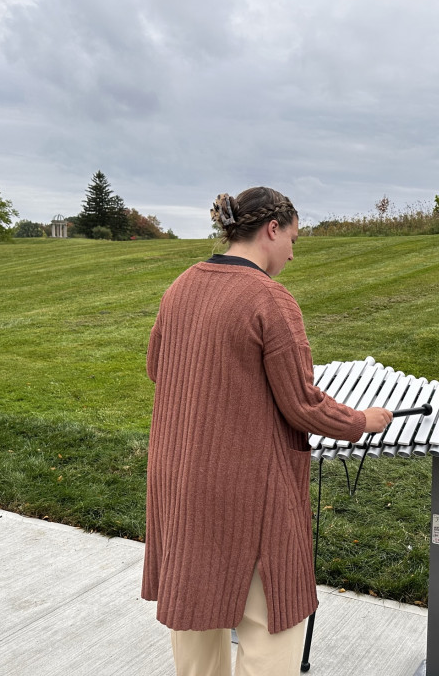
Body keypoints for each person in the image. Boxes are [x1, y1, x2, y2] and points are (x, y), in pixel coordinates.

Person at [141, 187, 393, 676]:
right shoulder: (270, 299)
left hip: (176, 478)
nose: (294, 252)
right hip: (244, 489)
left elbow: (157, 367)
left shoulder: (181, 285)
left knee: (196, 615)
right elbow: (303, 404)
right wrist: (363, 421)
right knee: (270, 623)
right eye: (293, 238)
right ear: (271, 229)